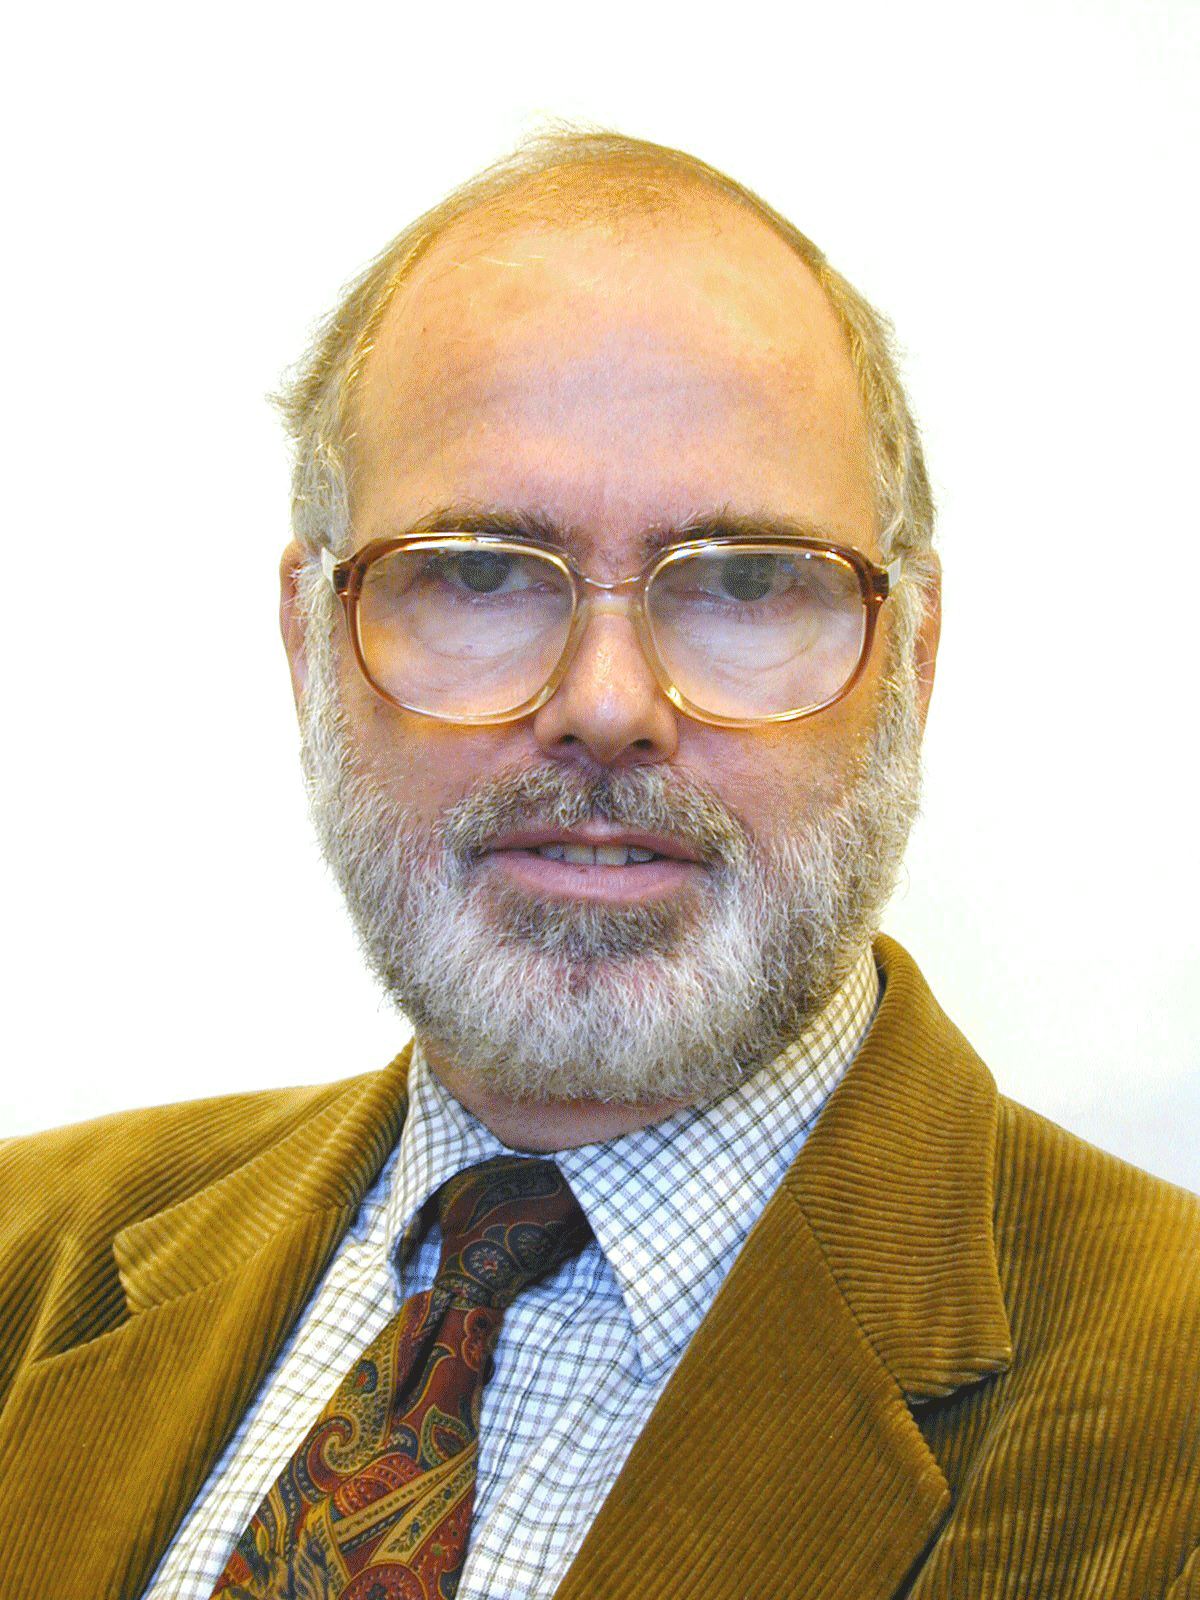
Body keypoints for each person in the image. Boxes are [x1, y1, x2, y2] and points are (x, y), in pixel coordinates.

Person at [2, 131, 1197, 1600]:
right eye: (481, 571)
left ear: (916, 661)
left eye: (746, 580)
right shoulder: (27, 1260)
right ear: (308, 643)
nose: (609, 703)